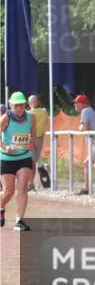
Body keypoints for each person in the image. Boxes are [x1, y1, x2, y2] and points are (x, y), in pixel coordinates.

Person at [1, 92, 35, 231]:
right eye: (16, 106)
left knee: (22, 188)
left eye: (21, 105)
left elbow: (33, 135)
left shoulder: (31, 118)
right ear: (10, 105)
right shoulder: (5, 118)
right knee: (9, 190)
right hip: (6, 158)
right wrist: (5, 147)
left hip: (24, 157)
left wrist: (31, 143)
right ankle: (1, 207)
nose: (19, 108)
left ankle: (19, 220)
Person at [28, 95, 48, 190]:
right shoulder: (44, 112)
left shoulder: (28, 113)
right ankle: (31, 183)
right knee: (34, 161)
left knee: (29, 162)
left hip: (29, 139)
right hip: (40, 138)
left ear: (29, 103)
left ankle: (30, 183)